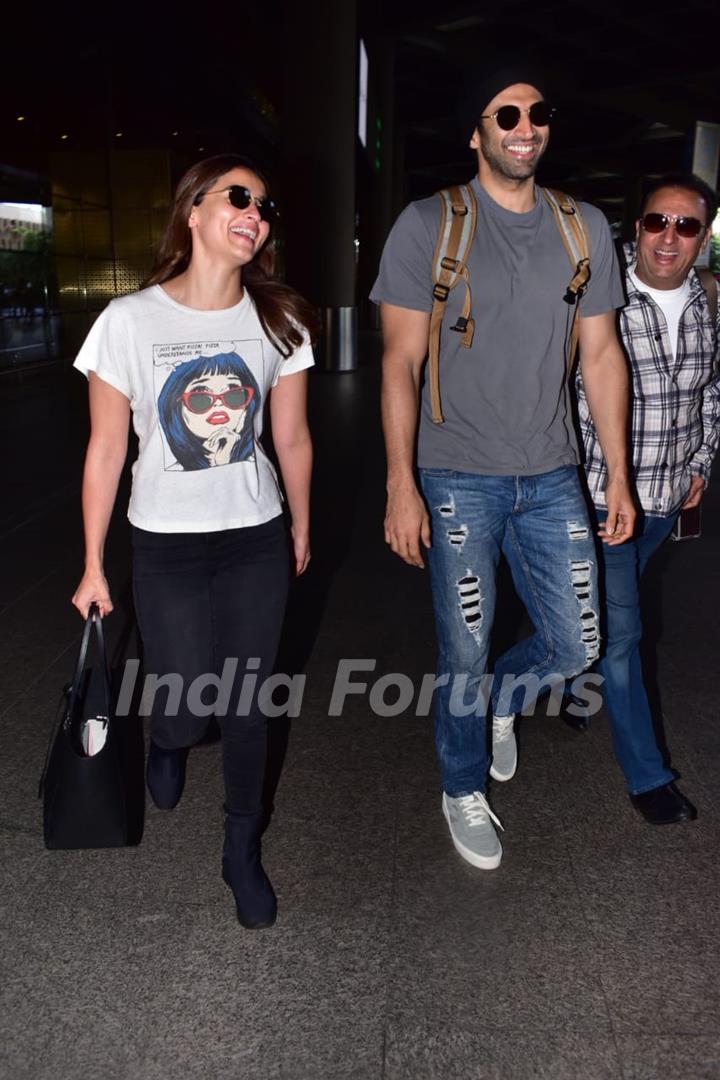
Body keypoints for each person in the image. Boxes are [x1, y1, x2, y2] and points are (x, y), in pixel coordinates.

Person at [370, 65, 635, 870]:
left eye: (538, 111)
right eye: (507, 113)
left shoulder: (581, 224)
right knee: (464, 650)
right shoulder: (428, 225)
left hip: (553, 471)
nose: (527, 126)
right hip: (455, 476)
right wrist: (399, 482)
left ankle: (499, 707)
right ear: (476, 131)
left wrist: (615, 474)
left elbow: (601, 354)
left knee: (575, 647)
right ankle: (460, 785)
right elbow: (399, 361)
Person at [71, 154, 318, 927]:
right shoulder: (129, 321)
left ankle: (241, 849)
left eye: (265, 205)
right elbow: (107, 449)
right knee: (183, 702)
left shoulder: (279, 319)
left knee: (248, 703)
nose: (256, 213)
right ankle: (168, 742)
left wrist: (301, 525)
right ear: (192, 210)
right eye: (239, 198)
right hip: (165, 544)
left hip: (254, 537)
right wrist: (90, 563)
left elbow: (295, 439)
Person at [575, 172, 719, 825]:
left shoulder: (710, 301)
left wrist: (701, 464)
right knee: (626, 631)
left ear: (702, 238)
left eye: (686, 226)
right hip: (603, 500)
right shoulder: (596, 302)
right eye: (657, 222)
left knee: (599, 623)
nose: (669, 237)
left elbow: (712, 392)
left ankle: (577, 680)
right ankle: (647, 776)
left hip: (666, 500)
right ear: (636, 229)